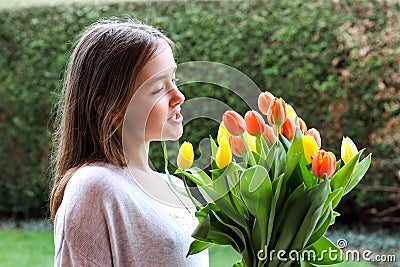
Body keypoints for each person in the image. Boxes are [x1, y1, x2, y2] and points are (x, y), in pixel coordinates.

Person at [49, 18, 209, 266]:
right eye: (158, 88)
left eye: (174, 80)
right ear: (109, 108)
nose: (179, 96)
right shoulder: (94, 187)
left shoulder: (174, 185)